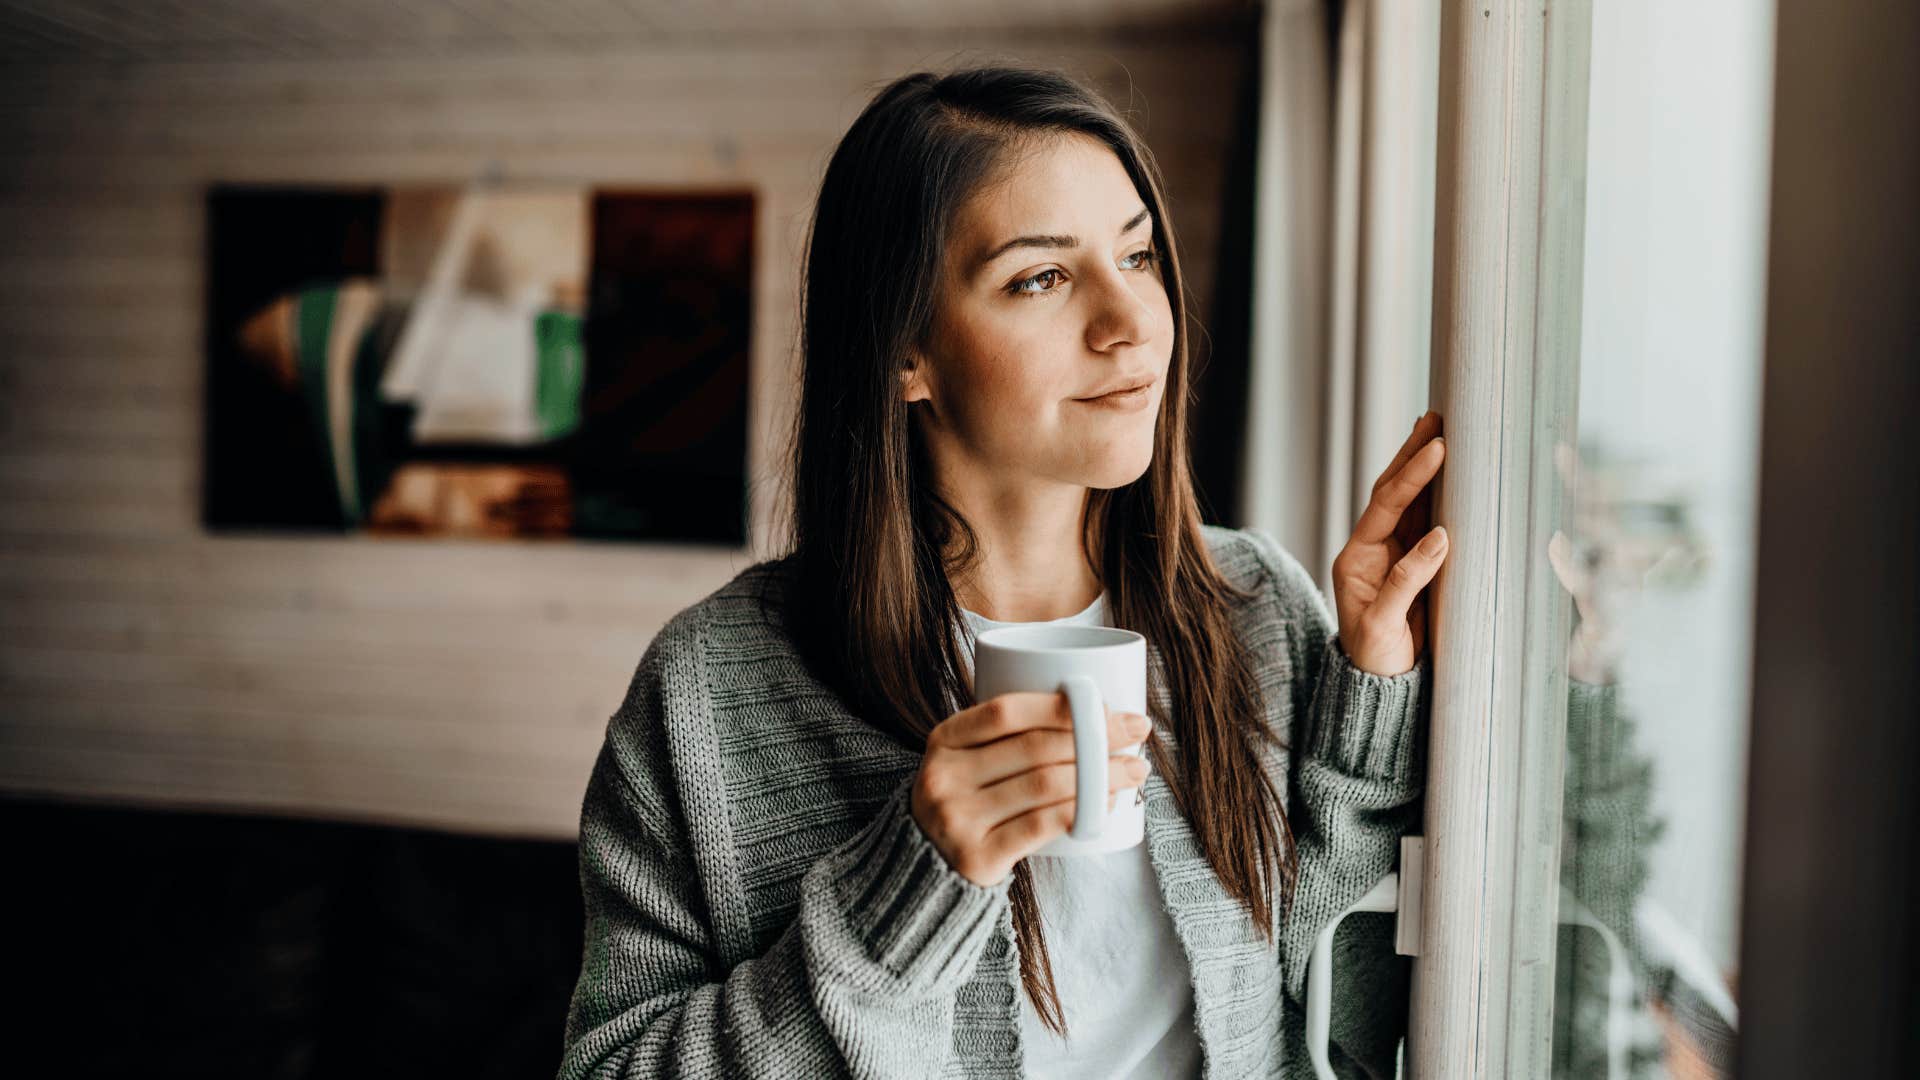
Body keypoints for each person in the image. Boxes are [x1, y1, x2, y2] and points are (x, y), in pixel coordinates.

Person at [556, 65, 1451, 1080]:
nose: (1132, 323)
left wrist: (1369, 697)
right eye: (1042, 277)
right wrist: (910, 888)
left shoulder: (1257, 612)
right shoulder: (711, 691)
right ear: (905, 352)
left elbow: (1356, 1031)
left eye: (1139, 255)